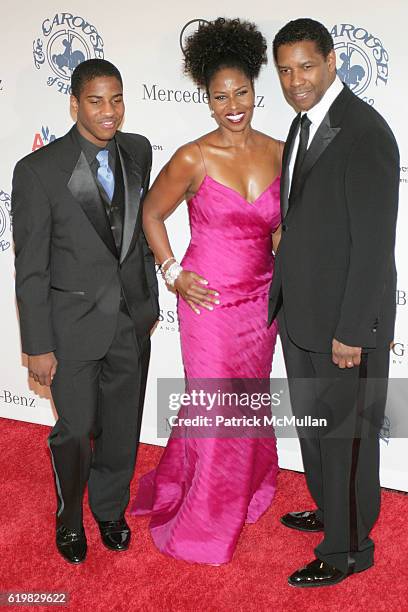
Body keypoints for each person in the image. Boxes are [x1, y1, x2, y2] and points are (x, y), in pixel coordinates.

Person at [131, 18, 282, 564]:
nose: (232, 104)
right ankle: (205, 520)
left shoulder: (280, 151)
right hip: (210, 302)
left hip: (263, 301)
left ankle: (243, 485)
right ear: (208, 101)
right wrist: (172, 271)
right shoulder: (194, 156)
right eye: (220, 97)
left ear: (254, 91)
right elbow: (151, 212)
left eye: (240, 92)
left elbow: (279, 228)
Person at [268, 18, 399, 587]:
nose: (296, 80)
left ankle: (349, 549)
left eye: (306, 66)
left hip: (345, 325)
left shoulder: (365, 132)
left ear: (332, 62)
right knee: (318, 428)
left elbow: (375, 245)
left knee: (347, 437)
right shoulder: (301, 127)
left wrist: (353, 330)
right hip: (302, 317)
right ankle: (331, 514)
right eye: (285, 70)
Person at [12, 59, 158, 564]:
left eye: (116, 99)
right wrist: (37, 345)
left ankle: (110, 509)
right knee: (75, 431)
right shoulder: (38, 171)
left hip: (129, 320)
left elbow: (133, 236)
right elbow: (30, 267)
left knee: (122, 424)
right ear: (74, 103)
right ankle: (69, 517)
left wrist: (148, 305)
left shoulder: (138, 151)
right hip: (70, 328)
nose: (109, 111)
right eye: (96, 101)